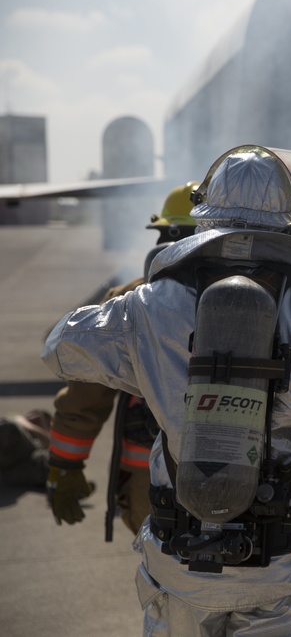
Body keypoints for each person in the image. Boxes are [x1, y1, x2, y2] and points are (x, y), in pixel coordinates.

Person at [42, 145, 291, 636]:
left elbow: (60, 348)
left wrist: (153, 356)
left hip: (183, 567)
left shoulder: (151, 303)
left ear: (206, 216)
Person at [47, 182, 200, 536]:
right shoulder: (268, 299)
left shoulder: (132, 300)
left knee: (168, 577)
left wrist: (65, 466)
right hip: (249, 478)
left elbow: (88, 392)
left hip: (152, 485)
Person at [0, 410, 53, 488]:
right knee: (9, 428)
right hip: (8, 451)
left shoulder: (40, 447)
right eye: (33, 415)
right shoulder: (16, 422)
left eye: (41, 420)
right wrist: (40, 431)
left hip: (17, 469)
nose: (35, 419)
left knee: (53, 464)